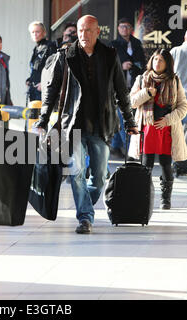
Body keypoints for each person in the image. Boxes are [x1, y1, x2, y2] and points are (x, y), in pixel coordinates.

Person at [35, 15, 138, 234]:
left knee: (100, 176)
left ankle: (86, 207)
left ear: (98, 31)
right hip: (73, 125)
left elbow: (121, 91)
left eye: (88, 30)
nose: (83, 35)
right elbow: (51, 91)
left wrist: (129, 121)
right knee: (77, 172)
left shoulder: (110, 56)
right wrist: (43, 120)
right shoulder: (65, 55)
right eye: (80, 30)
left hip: (101, 126)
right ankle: (85, 217)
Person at [127, 49, 187, 210]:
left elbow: (183, 106)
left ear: (167, 63)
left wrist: (168, 120)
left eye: (161, 60)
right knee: (146, 165)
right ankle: (145, 198)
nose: (157, 63)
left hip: (166, 130)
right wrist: (146, 93)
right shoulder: (142, 79)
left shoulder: (174, 80)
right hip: (146, 129)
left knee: (166, 164)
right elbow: (131, 102)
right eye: (155, 60)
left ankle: (165, 200)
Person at [110, 17, 147, 158]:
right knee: (123, 116)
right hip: (119, 85)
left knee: (127, 116)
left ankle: (116, 145)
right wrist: (122, 66)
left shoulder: (137, 43)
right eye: (121, 26)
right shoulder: (113, 44)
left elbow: (142, 63)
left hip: (134, 85)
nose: (124, 29)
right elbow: (108, 64)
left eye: (127, 26)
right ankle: (129, 148)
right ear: (118, 29)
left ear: (131, 29)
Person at [26, 21, 57, 103]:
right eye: (32, 32)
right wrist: (30, 79)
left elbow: (54, 68)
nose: (35, 34)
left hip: (43, 89)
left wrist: (44, 83)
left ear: (44, 33)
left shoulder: (50, 46)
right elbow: (36, 68)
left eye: (37, 32)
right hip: (34, 88)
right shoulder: (36, 48)